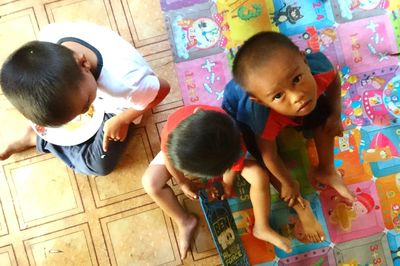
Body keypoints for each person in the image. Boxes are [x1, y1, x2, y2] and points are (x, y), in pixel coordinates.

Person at [142, 104, 325, 259]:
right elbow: (168, 157)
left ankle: (261, 226)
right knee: (150, 183)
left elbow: (232, 167)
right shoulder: (174, 135)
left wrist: (227, 183)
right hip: (189, 152)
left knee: (260, 177)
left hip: (220, 154)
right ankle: (184, 221)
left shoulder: (232, 137)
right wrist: (181, 181)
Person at [0, 22, 170, 176]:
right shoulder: (49, 37)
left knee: (99, 165)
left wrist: (123, 119)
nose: (84, 111)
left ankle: (37, 139)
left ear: (84, 64)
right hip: (97, 93)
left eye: (86, 105)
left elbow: (162, 89)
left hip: (121, 109)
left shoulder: (128, 85)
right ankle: (42, 136)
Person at [222, 31, 356, 207]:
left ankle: (327, 170)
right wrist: (288, 182)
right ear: (262, 101)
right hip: (241, 116)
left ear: (304, 60)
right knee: (259, 156)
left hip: (283, 111)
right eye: (278, 95)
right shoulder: (262, 115)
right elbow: (270, 155)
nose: (296, 97)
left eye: (297, 79)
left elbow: (333, 81)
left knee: (325, 113)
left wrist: (335, 114)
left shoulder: (320, 68)